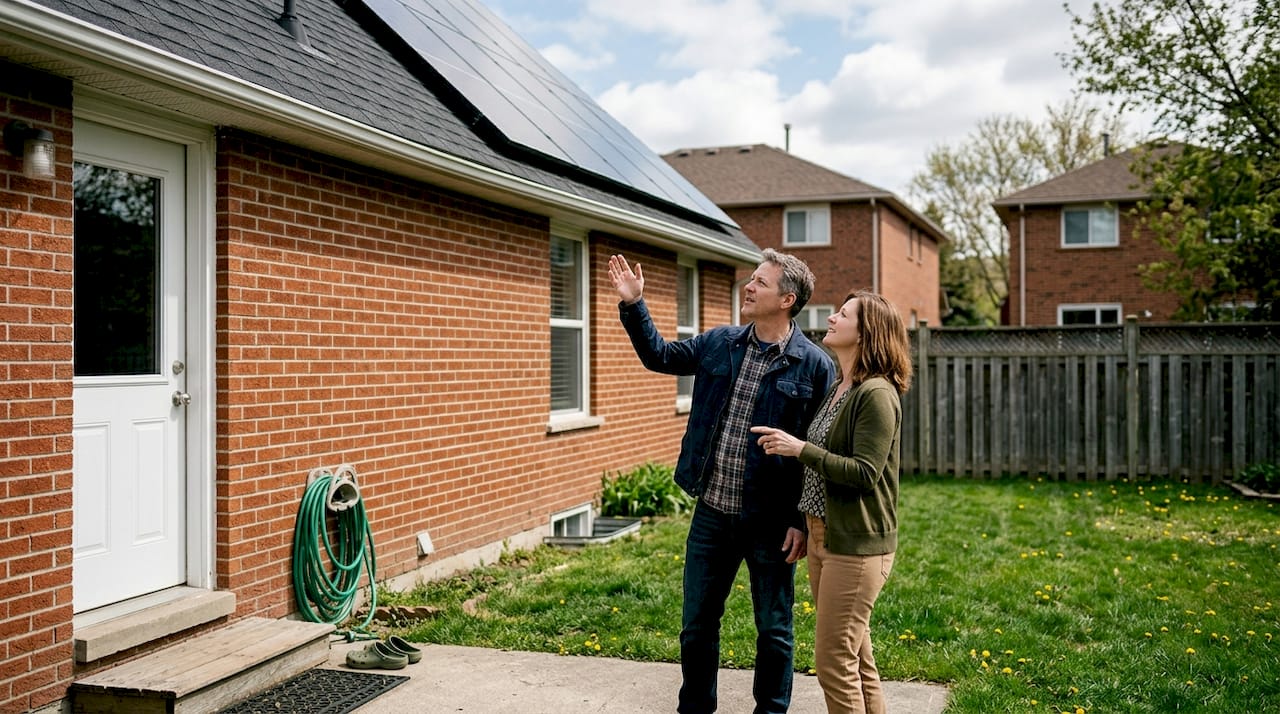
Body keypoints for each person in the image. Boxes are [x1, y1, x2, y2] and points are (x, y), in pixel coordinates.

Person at [608, 249, 836, 714]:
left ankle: (771, 710)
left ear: (787, 299)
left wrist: (799, 520)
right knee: (696, 624)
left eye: (760, 282)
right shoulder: (721, 343)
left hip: (772, 523)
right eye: (750, 279)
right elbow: (659, 356)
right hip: (712, 512)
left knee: (773, 628)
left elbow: (814, 452)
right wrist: (635, 304)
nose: (747, 288)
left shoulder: (814, 365)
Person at [751, 291, 912, 714]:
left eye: (844, 314)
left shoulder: (875, 394)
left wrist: (799, 449)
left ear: (866, 333)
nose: (833, 317)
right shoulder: (842, 387)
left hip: (856, 545)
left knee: (833, 664)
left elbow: (864, 473)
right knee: (857, 660)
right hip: (825, 537)